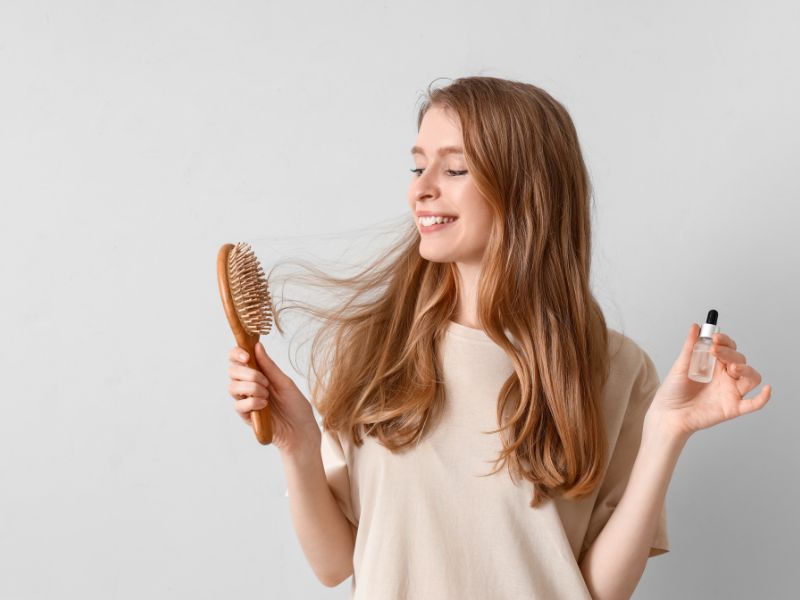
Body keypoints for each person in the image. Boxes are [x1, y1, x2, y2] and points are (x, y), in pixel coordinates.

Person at [225, 76, 771, 600]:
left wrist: (666, 434)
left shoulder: (616, 368)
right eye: (418, 165)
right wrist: (298, 447)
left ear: (525, 190)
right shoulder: (374, 351)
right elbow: (334, 565)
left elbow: (600, 590)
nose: (421, 188)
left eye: (454, 168)